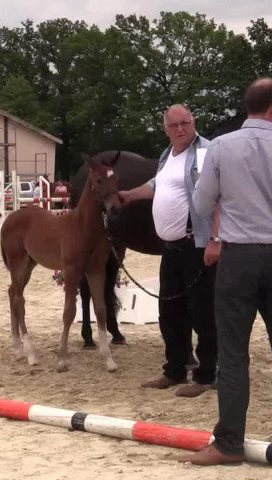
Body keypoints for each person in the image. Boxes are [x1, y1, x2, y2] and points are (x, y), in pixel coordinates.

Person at [180, 78, 272, 466]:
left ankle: (229, 442)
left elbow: (202, 202)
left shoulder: (221, 147)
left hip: (238, 256)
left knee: (234, 352)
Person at [118, 104, 219, 398]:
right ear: (165, 128)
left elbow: (217, 196)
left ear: (194, 122)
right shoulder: (167, 155)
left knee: (203, 312)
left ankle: (206, 374)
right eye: (174, 125)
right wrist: (129, 195)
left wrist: (215, 238)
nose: (180, 129)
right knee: (170, 312)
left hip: (196, 244)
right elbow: (157, 184)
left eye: (185, 123)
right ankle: (174, 369)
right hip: (172, 247)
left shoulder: (204, 152)